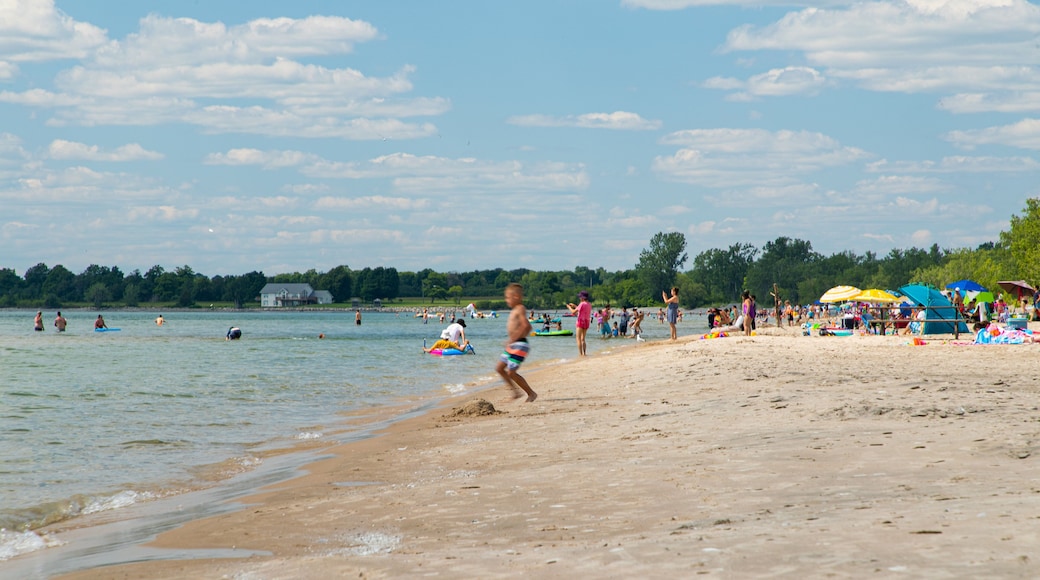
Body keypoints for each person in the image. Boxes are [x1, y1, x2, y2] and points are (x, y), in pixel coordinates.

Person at [496, 283, 537, 403]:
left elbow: (527, 326)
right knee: (499, 368)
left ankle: (531, 393)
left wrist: (513, 338)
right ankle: (515, 392)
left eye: (507, 297)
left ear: (516, 297)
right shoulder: (515, 310)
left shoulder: (520, 308)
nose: (506, 300)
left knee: (511, 372)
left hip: (520, 344)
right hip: (513, 345)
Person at [565, 290, 592, 356]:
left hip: (580, 321)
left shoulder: (581, 304)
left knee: (578, 338)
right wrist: (574, 305)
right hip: (586, 322)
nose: (579, 298)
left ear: (582, 297)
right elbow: (581, 309)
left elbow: (573, 312)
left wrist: (569, 307)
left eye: (580, 297)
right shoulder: (589, 304)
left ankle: (580, 354)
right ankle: (584, 353)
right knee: (583, 339)